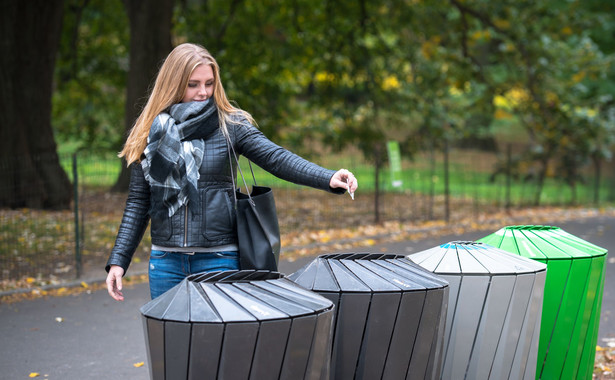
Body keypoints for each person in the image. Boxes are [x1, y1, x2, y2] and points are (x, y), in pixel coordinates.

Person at [105, 43, 358, 301]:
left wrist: (327, 176)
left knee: (219, 341)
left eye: (209, 83)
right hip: (165, 262)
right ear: (173, 83)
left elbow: (276, 158)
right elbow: (138, 202)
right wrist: (119, 261)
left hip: (218, 261)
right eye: (193, 84)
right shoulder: (151, 131)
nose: (203, 92)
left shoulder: (230, 125)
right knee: (172, 341)